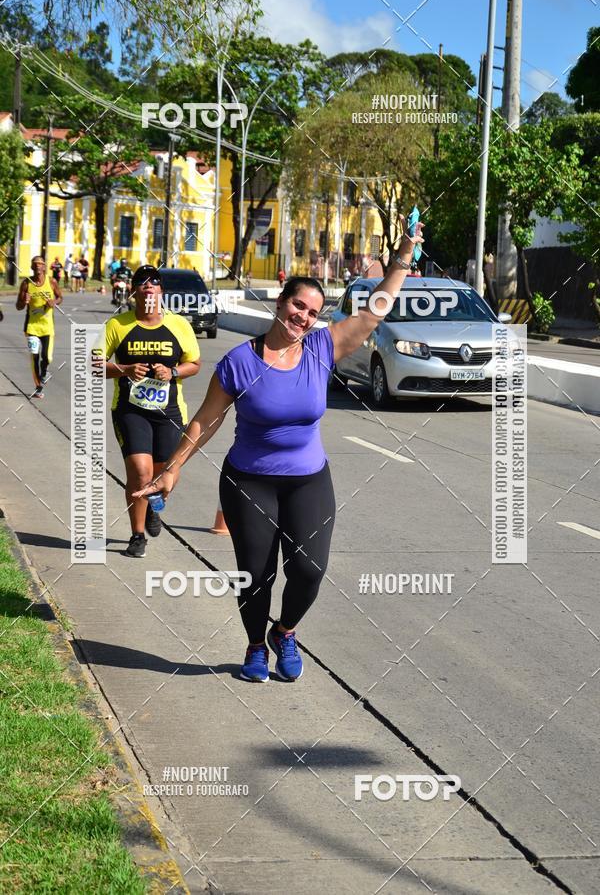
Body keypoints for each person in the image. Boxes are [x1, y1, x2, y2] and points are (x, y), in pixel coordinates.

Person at [136, 220, 424, 682]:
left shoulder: (322, 348)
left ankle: (285, 632)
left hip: (308, 478)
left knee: (309, 570)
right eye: (297, 305)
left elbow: (376, 311)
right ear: (279, 302)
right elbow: (206, 420)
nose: (304, 317)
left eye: (312, 312)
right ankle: (254, 647)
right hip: (248, 480)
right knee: (256, 573)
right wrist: (172, 470)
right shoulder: (240, 361)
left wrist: (405, 252)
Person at [99, 265, 201, 558]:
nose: (148, 286)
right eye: (141, 281)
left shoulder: (179, 325)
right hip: (131, 411)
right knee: (140, 473)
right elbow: (94, 365)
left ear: (161, 291)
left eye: (154, 281)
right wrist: (124, 369)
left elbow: (194, 364)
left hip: (169, 411)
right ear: (133, 290)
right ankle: (136, 535)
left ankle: (156, 505)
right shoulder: (117, 325)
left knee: (164, 475)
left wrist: (172, 371)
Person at [16, 256, 63, 398]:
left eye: (40, 264)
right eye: (35, 264)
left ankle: (44, 371)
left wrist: (54, 301)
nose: (37, 267)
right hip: (32, 327)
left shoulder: (51, 281)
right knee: (34, 357)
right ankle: (38, 386)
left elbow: (60, 297)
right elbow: (18, 306)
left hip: (48, 327)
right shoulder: (26, 283)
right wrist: (24, 301)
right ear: (31, 267)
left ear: (44, 267)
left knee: (47, 357)